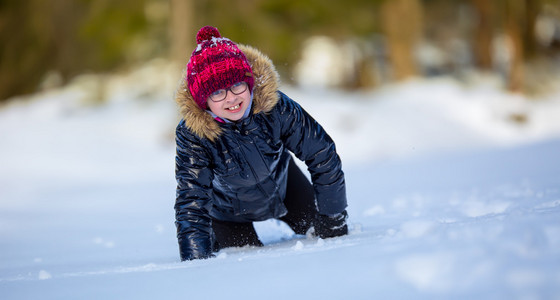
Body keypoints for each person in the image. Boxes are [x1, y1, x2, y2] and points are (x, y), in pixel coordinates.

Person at [174, 26, 348, 261]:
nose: (232, 98)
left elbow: (321, 153)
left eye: (237, 85)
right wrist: (195, 261)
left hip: (287, 189)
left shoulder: (275, 107)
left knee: (327, 236)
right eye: (217, 93)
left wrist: (333, 217)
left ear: (249, 83)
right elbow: (192, 199)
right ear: (204, 101)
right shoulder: (194, 135)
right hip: (227, 213)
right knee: (245, 260)